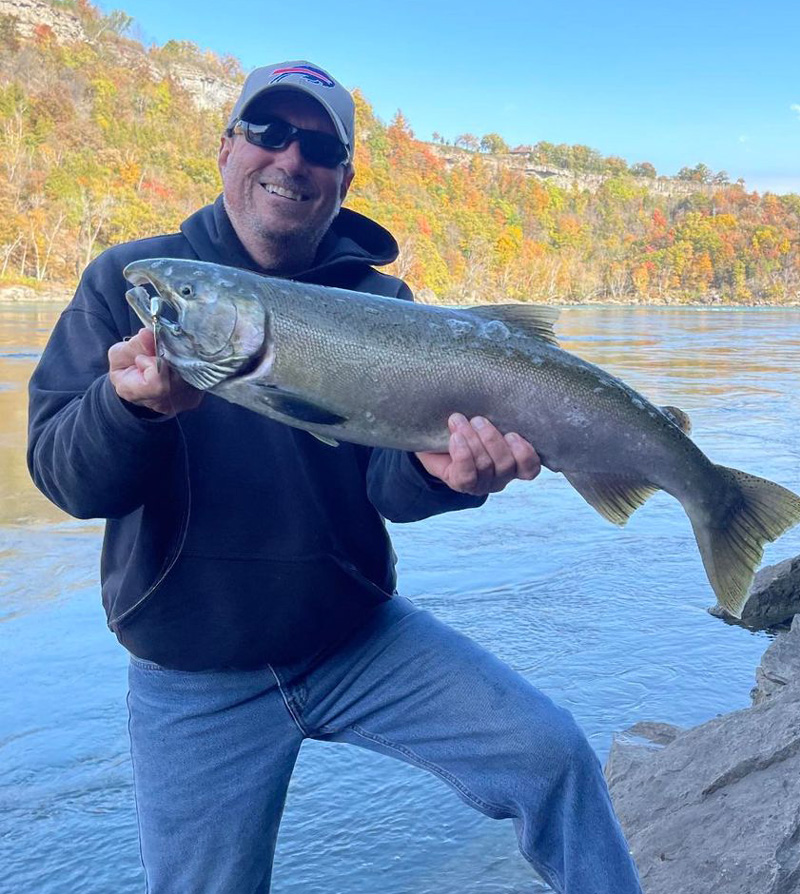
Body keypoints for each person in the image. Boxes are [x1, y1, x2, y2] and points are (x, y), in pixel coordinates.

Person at [27, 60, 643, 893]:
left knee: (554, 755)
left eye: (320, 147)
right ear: (227, 147)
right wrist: (128, 410)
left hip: (360, 636)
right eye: (269, 131)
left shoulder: (384, 300)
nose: (291, 158)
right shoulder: (130, 280)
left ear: (344, 179)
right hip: (193, 672)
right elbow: (66, 480)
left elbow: (388, 489)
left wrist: (443, 476)